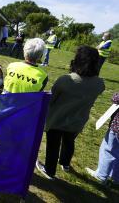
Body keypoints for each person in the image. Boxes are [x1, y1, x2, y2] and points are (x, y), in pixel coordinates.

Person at [36, 46, 105, 180]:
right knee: (69, 142)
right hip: (78, 120)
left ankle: (49, 171)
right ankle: (65, 163)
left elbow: (52, 98)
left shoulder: (65, 80)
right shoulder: (100, 83)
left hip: (57, 119)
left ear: (78, 60)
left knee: (53, 145)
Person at [85, 93, 119, 185]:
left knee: (108, 150)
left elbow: (116, 98)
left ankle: (101, 175)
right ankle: (116, 177)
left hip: (117, 128)